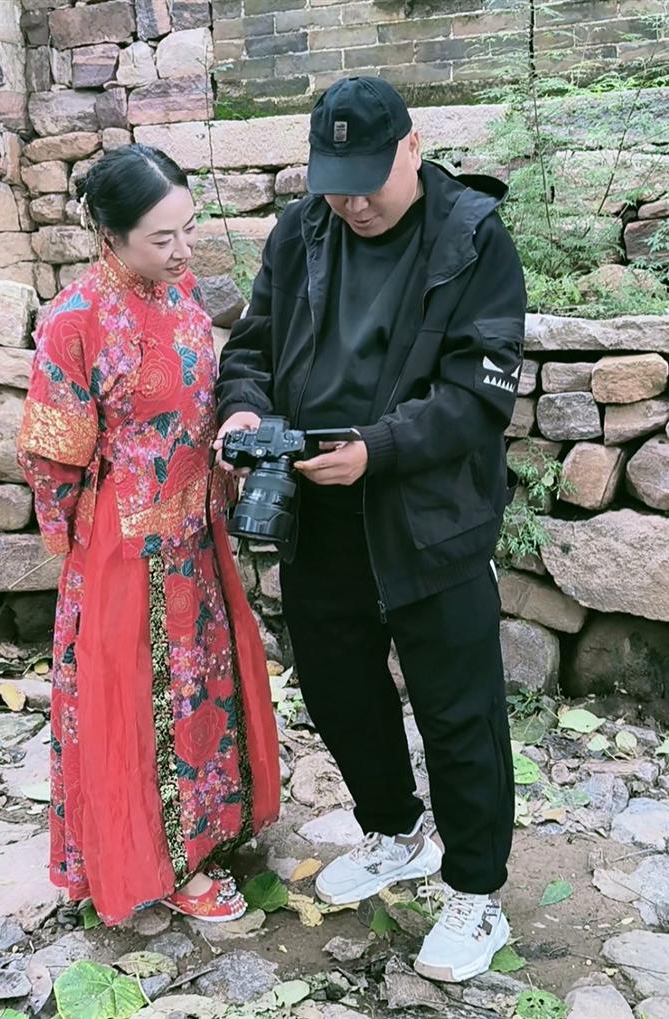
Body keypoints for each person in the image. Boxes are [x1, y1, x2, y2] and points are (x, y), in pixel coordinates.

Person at [215, 77, 526, 981]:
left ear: (412, 148)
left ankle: (477, 892)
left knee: (459, 710)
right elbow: (250, 347)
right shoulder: (300, 231)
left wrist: (379, 448)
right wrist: (242, 411)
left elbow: (478, 394)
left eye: (366, 183)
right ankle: (396, 831)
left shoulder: (473, 238)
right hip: (316, 507)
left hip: (429, 515)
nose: (350, 203)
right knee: (338, 690)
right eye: (334, 185)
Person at [17, 144, 279, 927]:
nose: (183, 250)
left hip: (197, 532)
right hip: (124, 548)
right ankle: (160, 863)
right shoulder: (75, 321)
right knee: (141, 707)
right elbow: (51, 455)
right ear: (111, 234)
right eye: (162, 238)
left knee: (203, 687)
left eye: (188, 229)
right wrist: (79, 552)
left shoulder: (181, 292)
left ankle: (208, 827)